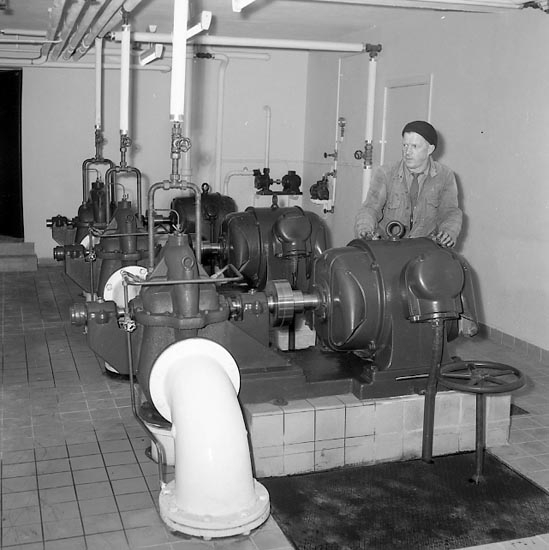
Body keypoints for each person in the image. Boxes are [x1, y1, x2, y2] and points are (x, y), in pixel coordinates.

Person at [355, 120, 462, 248]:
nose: (407, 152)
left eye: (414, 146)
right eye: (405, 145)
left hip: (425, 250)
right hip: (387, 248)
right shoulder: (385, 173)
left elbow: (450, 212)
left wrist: (448, 232)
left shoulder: (444, 176)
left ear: (430, 149)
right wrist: (365, 230)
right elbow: (370, 208)